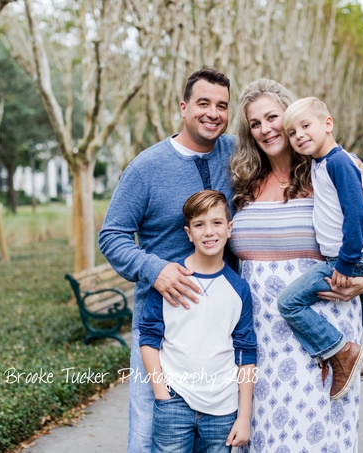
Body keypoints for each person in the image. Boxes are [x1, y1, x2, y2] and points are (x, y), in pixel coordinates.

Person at [228, 79, 363, 452]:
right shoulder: (243, 182)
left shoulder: (330, 171)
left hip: (324, 333)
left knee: (315, 436)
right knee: (264, 437)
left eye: (273, 117)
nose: (266, 129)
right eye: (255, 123)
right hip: (258, 337)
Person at [98, 68, 237, 453]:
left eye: (222, 106)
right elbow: (111, 235)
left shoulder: (237, 153)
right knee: (148, 435)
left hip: (220, 327)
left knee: (221, 435)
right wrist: (154, 269)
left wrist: (348, 167)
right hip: (159, 329)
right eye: (203, 103)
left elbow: (293, 149)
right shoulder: (147, 167)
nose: (213, 113)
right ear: (183, 107)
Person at [276, 97, 363, 401]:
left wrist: (344, 266)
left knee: (289, 303)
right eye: (292, 132)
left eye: (305, 126)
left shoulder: (337, 163)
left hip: (347, 257)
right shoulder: (325, 161)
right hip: (352, 254)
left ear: (328, 124)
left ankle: (341, 352)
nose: (299, 136)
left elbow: (358, 215)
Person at [139, 190, 257, 452]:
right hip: (174, 403)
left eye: (216, 223)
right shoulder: (170, 280)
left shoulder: (238, 288)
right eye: (199, 225)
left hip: (223, 408)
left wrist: (244, 416)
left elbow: (246, 352)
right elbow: (149, 338)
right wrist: (162, 394)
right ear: (188, 233)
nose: (208, 232)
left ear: (229, 228)